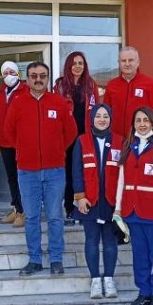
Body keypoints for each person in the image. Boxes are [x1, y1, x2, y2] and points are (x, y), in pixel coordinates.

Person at [4, 62, 78, 276]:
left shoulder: (59, 102)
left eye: (43, 75)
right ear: (27, 79)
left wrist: (56, 150)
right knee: (32, 217)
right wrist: (25, 149)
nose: (38, 79)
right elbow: (9, 132)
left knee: (55, 216)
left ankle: (56, 259)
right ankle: (34, 259)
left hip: (55, 171)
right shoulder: (17, 103)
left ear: (48, 78)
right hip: (27, 171)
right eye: (34, 75)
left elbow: (71, 132)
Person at [114, 107, 153, 305]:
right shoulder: (127, 146)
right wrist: (118, 208)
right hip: (132, 210)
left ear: (152, 123)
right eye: (138, 120)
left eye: (145, 120)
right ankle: (144, 292)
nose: (142, 124)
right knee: (139, 256)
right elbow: (121, 180)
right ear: (133, 124)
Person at [70, 104, 121, 299]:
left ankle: (108, 279)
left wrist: (120, 203)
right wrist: (80, 197)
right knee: (91, 240)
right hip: (89, 201)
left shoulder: (119, 141)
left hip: (110, 202)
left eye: (105, 116)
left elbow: (124, 174)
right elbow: (76, 171)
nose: (102, 119)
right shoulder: (82, 141)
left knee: (110, 241)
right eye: (98, 116)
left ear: (110, 119)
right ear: (92, 119)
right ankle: (95, 280)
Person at [54, 52, 99, 227]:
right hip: (66, 137)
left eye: (80, 63)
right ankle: (68, 209)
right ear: (68, 65)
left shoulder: (91, 85)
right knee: (67, 173)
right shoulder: (60, 86)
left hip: (85, 137)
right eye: (74, 63)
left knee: (84, 172)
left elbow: (96, 111)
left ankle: (85, 208)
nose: (77, 66)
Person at [0, 61, 30, 228]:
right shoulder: (1, 92)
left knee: (22, 177)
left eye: (12, 72)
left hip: (21, 143)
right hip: (5, 142)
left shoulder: (26, 91)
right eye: (5, 72)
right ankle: (16, 208)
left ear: (18, 74)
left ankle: (23, 212)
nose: (9, 75)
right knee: (11, 178)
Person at [103, 47, 153, 137]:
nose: (127, 64)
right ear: (119, 63)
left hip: (141, 139)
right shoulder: (112, 85)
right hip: (116, 139)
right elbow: (105, 113)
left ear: (138, 62)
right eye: (123, 61)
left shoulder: (151, 84)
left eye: (131, 60)